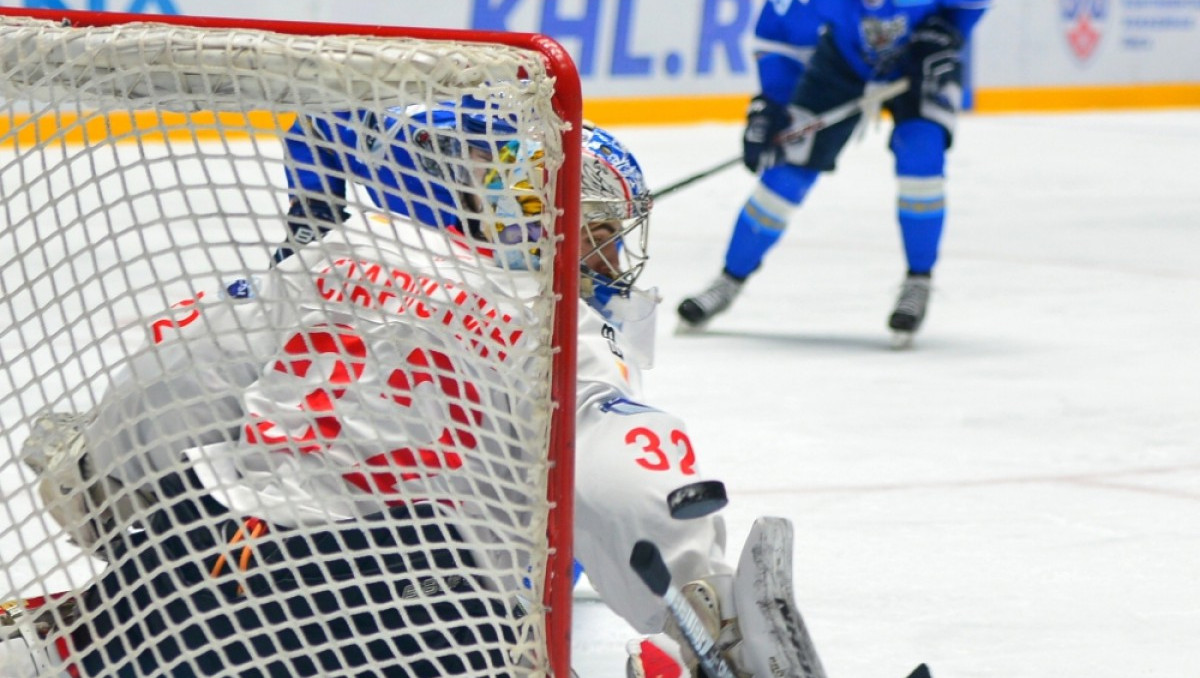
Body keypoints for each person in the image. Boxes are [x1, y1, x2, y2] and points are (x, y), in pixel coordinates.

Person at [2, 109, 814, 678]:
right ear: (527, 224)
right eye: (593, 235)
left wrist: (106, 477)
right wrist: (704, 611)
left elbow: (175, 376)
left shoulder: (337, 255)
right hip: (411, 609)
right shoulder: (554, 334)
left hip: (195, 559)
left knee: (74, 646)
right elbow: (622, 474)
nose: (604, 263)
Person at [677, 0, 990, 345]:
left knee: (921, 153)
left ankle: (919, 280)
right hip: (842, 61)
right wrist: (772, 104)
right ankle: (728, 280)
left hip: (922, 58)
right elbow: (778, 38)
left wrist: (948, 29)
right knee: (786, 172)